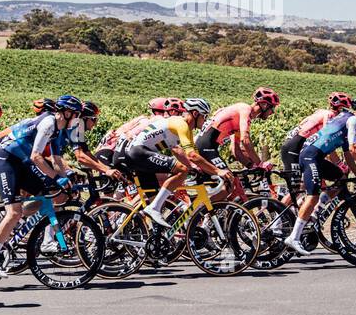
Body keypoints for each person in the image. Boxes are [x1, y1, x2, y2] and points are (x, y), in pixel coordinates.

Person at [0, 95, 84, 277]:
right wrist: (54, 177)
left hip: (22, 162)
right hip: (7, 160)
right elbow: (36, 156)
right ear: (66, 113)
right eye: (76, 115)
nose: (77, 120)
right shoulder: (49, 123)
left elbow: (57, 160)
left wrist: (66, 177)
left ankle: (46, 240)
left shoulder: (59, 130)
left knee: (54, 194)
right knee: (14, 212)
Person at [116, 97, 230, 228]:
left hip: (139, 155)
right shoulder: (182, 124)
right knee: (181, 170)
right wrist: (218, 171)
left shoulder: (184, 128)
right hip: (138, 153)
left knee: (158, 205)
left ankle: (156, 238)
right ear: (195, 113)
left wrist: (198, 169)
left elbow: (187, 154)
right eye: (204, 116)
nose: (205, 121)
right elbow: (192, 156)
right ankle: (153, 208)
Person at [286, 97, 356, 255]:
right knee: (312, 196)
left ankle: (315, 215)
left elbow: (348, 156)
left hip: (314, 156)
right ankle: (294, 237)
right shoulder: (354, 121)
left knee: (341, 177)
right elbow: (354, 149)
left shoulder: (345, 119)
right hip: (311, 157)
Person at [195, 87, 279, 171]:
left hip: (204, 146)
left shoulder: (239, 118)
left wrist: (251, 165)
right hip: (206, 147)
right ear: (265, 105)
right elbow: (245, 140)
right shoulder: (245, 109)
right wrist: (260, 163)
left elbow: (236, 150)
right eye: (272, 108)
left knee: (229, 180)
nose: (273, 112)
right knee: (228, 179)